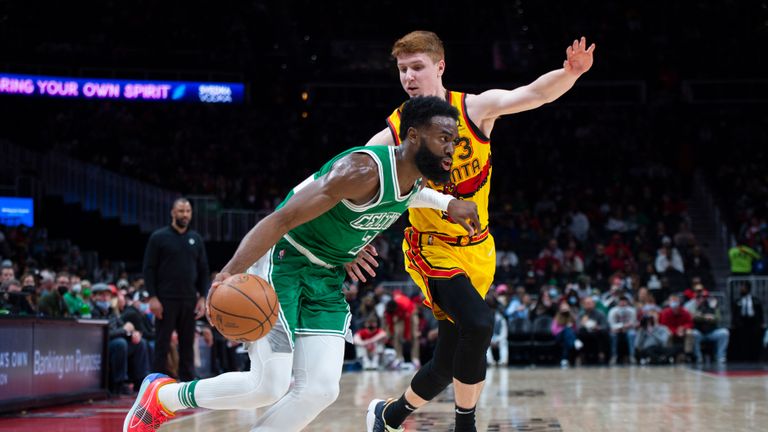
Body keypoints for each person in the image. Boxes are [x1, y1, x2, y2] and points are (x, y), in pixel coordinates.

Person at [124, 96, 480, 432]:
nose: (452, 149)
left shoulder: (415, 174)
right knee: (268, 385)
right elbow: (280, 219)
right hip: (286, 263)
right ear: (413, 137)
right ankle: (164, 397)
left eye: (454, 140)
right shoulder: (360, 170)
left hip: (326, 277)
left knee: (321, 390)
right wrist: (230, 270)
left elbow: (412, 195)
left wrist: (447, 205)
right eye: (444, 138)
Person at [363, 30, 594, 432]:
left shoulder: (473, 110)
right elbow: (361, 178)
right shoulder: (396, 133)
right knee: (480, 323)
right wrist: (355, 238)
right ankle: (465, 425)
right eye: (402, 69)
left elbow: (533, 94)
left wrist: (569, 73)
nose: (408, 77)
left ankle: (390, 414)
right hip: (430, 247)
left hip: (479, 249)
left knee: (447, 360)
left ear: (440, 66)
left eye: (417, 67)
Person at [142, 197, 210, 382]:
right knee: (162, 345)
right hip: (165, 300)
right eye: (181, 211)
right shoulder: (158, 237)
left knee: (187, 345)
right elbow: (148, 269)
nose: (185, 214)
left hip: (189, 300)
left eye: (188, 211)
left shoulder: (196, 239)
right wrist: (153, 297)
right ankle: (155, 387)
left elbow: (204, 271)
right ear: (172, 213)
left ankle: (187, 387)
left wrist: (203, 297)